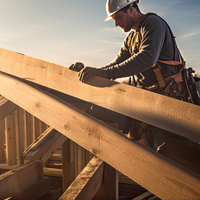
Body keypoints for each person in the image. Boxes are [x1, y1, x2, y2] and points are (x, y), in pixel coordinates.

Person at [69, 0, 200, 175]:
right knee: (159, 159)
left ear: (131, 9)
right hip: (151, 103)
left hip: (172, 103)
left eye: (118, 17)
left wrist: (106, 74)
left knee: (183, 157)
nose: (116, 23)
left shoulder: (152, 24)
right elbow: (115, 65)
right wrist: (93, 72)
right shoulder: (131, 38)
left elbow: (147, 58)